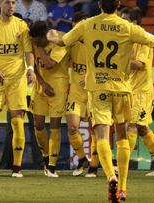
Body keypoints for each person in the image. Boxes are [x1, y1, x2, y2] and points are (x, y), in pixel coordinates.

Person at [47, 0, 154, 201]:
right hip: (122, 89)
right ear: (119, 5)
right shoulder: (128, 27)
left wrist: (51, 35)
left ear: (99, 4)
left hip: (98, 89)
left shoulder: (87, 24)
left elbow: (62, 42)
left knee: (102, 136)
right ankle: (122, 187)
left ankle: (110, 177)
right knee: (122, 137)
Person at [0, 0, 36, 178]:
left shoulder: (22, 26)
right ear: (0, 4)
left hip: (16, 79)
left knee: (17, 121)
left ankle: (17, 167)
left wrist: (30, 69)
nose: (11, 6)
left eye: (13, 3)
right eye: (7, 2)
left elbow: (28, 52)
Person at [121, 8, 154, 177]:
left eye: (125, 19)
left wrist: (117, 61)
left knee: (133, 125)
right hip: (130, 88)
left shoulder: (142, 39)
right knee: (142, 128)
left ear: (134, 22)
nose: (121, 22)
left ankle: (123, 166)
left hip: (142, 90)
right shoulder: (126, 39)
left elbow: (139, 64)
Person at [29, 20, 69, 178]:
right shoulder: (35, 41)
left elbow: (50, 63)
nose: (33, 42)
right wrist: (42, 82)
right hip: (41, 86)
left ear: (42, 37)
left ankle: (52, 166)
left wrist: (38, 48)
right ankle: (45, 157)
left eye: (36, 40)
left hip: (58, 86)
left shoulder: (60, 40)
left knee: (54, 125)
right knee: (38, 124)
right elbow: (35, 66)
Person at [64, 11, 90, 177]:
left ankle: (96, 165)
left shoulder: (95, 42)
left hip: (94, 91)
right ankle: (82, 159)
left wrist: (89, 78)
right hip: (75, 92)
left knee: (98, 129)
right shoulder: (70, 43)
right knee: (72, 128)